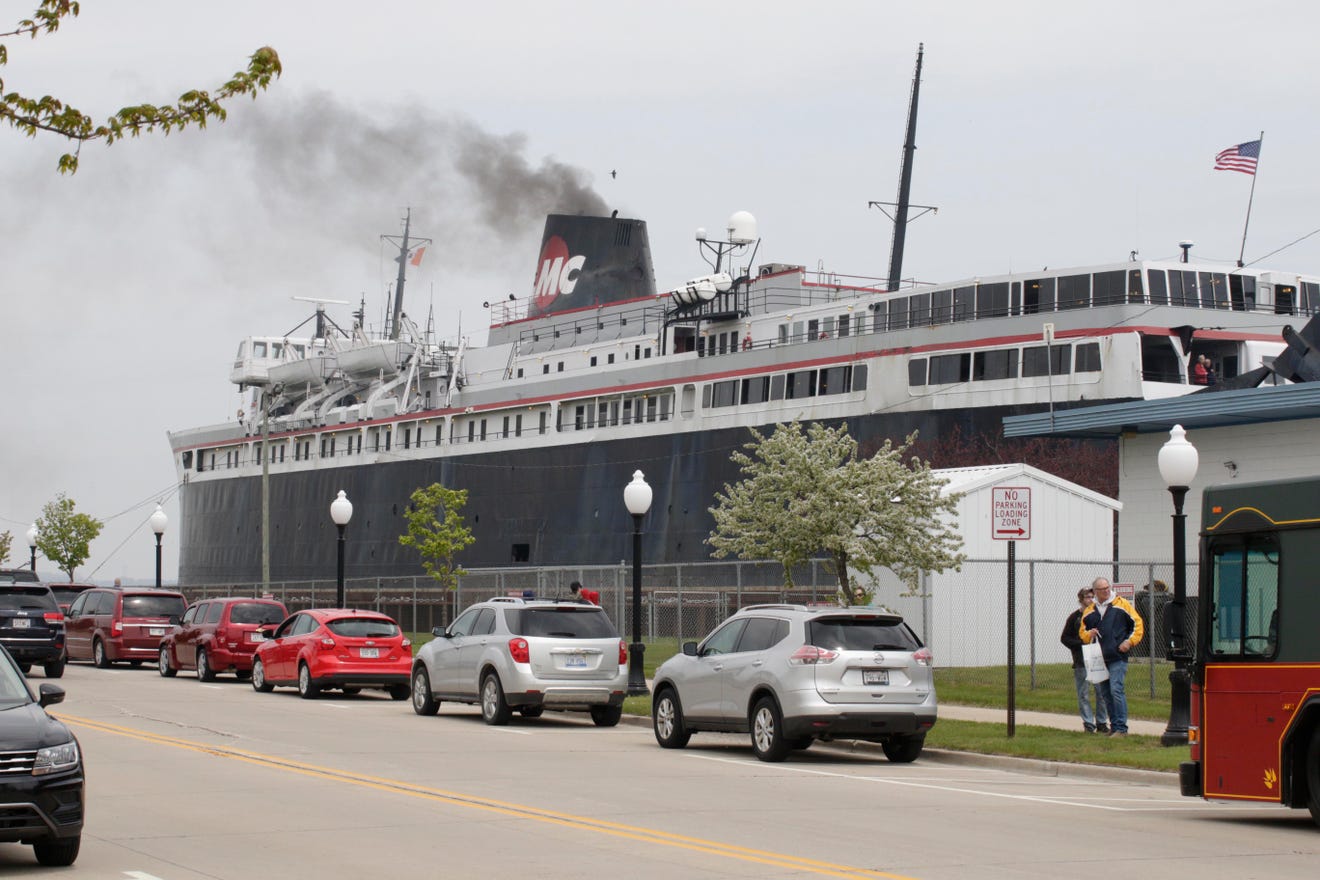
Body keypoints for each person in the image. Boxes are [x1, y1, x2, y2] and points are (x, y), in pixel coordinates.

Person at [1079, 576, 1144, 737]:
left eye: (1108, 587)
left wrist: (1129, 642)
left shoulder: (1122, 605)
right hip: (1099, 658)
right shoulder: (1090, 611)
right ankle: (1114, 726)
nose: (1107, 591)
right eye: (1102, 589)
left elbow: (1137, 625)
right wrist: (1089, 634)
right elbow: (1082, 634)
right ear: (1095, 592)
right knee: (1105, 693)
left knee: (1116, 689)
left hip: (1117, 656)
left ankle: (1122, 728)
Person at [1060, 586, 1109, 733]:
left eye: (1092, 597)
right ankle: (1088, 723)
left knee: (1101, 693)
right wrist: (1082, 643)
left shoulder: (1100, 615)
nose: (1090, 600)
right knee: (1084, 693)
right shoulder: (1075, 617)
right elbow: (1065, 638)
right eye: (1087, 597)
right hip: (1081, 660)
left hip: (1097, 658)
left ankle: (1101, 722)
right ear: (1081, 600)